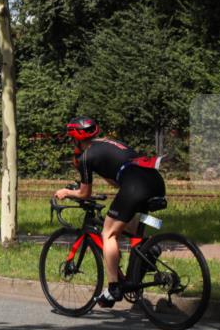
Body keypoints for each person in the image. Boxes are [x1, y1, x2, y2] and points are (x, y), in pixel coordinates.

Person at [54, 117, 165, 308]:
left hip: (134, 185)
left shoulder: (85, 156)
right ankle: (148, 252)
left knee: (108, 233)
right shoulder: (110, 143)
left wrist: (66, 192)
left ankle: (113, 288)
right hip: (154, 181)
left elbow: (84, 192)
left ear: (76, 139)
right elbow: (116, 178)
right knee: (129, 227)